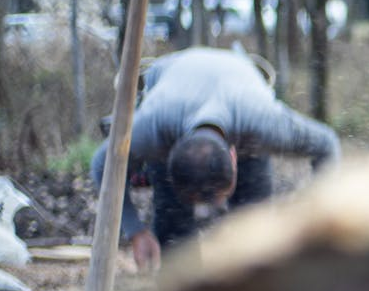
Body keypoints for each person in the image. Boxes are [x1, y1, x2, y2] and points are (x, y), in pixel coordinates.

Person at [91, 46, 341, 272]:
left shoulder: (265, 124)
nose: (207, 211)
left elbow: (327, 145)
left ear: (234, 158)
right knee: (174, 231)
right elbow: (102, 165)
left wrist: (319, 222)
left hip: (241, 94)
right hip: (170, 91)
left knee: (255, 228)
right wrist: (135, 231)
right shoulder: (151, 129)